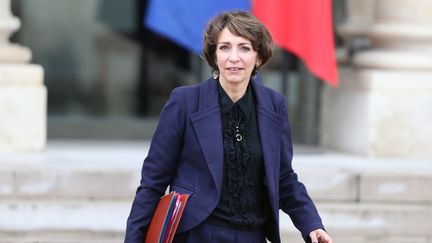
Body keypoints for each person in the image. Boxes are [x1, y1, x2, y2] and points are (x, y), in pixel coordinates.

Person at [125, 10, 332, 243]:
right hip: (197, 233)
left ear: (259, 57)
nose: (234, 57)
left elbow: (284, 177)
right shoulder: (184, 102)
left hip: (252, 235)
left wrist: (311, 224)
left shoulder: (275, 105)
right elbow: (153, 182)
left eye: (244, 48)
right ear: (214, 56)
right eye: (225, 47)